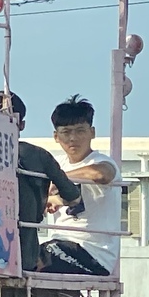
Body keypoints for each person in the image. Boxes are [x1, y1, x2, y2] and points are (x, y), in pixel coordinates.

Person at [0, 92, 81, 272]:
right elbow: (74, 196)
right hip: (24, 257)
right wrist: (54, 198)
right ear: (21, 124)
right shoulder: (39, 155)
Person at [37, 95, 121, 276]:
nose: (73, 138)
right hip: (59, 243)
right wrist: (50, 199)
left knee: (32, 260)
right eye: (66, 132)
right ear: (56, 136)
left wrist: (60, 178)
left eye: (80, 131)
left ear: (92, 132)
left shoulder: (102, 161)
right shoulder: (54, 164)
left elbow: (101, 174)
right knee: (17, 255)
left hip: (93, 253)